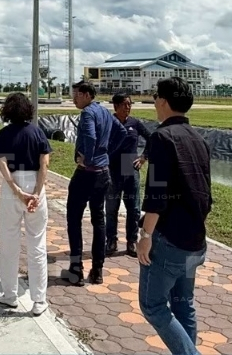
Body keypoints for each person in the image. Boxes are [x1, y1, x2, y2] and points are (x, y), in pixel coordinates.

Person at [138, 76, 212, 355]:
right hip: (195, 239)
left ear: (164, 102)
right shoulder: (199, 139)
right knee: (183, 302)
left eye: (156, 97)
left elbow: (156, 195)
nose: (155, 102)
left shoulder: (161, 137)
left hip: (169, 240)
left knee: (153, 304)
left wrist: (145, 236)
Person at [0, 92, 51, 315]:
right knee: (37, 244)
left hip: (12, 187)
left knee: (9, 243)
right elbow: (44, 164)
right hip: (36, 184)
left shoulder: (4, 134)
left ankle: (9, 294)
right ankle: (39, 301)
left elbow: (3, 164)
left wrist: (16, 190)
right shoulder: (37, 133)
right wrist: (35, 193)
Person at [61, 81, 125, 286]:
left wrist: (87, 158)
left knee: (74, 218)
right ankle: (97, 270)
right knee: (99, 219)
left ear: (87, 95)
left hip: (86, 173)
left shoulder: (88, 113)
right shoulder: (105, 112)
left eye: (77, 95)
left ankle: (76, 268)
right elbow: (122, 132)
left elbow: (89, 136)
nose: (74, 99)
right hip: (103, 173)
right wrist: (105, 153)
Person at [107, 90, 150, 257]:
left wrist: (144, 157)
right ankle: (111, 240)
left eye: (129, 104)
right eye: (125, 104)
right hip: (112, 168)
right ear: (116, 106)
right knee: (111, 207)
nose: (128, 107)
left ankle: (132, 241)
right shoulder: (109, 122)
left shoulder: (135, 123)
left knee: (133, 209)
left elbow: (151, 138)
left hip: (130, 166)